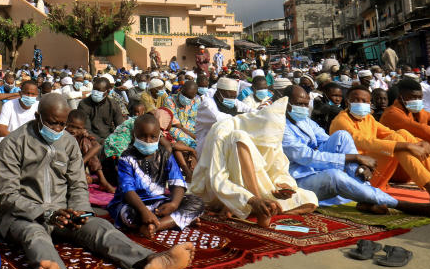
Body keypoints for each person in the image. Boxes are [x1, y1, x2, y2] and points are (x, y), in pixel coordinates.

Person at [0, 93, 194, 269]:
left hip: (64, 213)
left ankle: (149, 260)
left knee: (99, 227)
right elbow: (8, 194)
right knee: (35, 235)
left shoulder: (68, 142)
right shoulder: (12, 144)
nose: (57, 129)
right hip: (25, 216)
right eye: (52, 123)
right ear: (37, 117)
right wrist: (46, 213)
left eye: (62, 124)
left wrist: (80, 211)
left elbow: (78, 184)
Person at [282, 86, 430, 217]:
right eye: (298, 104)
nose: (303, 108)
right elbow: (306, 157)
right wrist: (356, 158)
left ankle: (367, 197)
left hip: (330, 167)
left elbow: (326, 140)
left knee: (343, 137)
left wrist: (359, 165)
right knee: (335, 175)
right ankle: (399, 204)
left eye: (305, 104)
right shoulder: (281, 127)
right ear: (285, 103)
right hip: (300, 178)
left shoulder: (306, 122)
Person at [330, 85, 430, 207]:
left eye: (364, 101)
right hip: (356, 172)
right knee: (399, 144)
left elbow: (390, 133)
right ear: (347, 101)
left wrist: (418, 143)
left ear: (369, 103)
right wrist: (409, 146)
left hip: (372, 168)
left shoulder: (368, 118)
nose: (360, 103)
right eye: (355, 100)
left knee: (401, 135)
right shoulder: (341, 121)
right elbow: (364, 142)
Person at [190, 98, 317, 228]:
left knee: (310, 200)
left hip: (259, 190)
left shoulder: (273, 136)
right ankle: (253, 207)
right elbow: (217, 179)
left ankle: (257, 209)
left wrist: (283, 186)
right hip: (223, 191)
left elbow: (279, 169)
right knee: (239, 137)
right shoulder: (222, 130)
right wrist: (252, 199)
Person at [107, 113, 204, 237]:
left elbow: (177, 182)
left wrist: (174, 204)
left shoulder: (165, 155)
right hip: (133, 205)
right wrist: (144, 212)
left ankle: (154, 226)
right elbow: (127, 190)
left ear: (159, 136)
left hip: (159, 203)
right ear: (134, 135)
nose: (148, 141)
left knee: (196, 202)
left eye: (153, 137)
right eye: (142, 136)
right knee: (128, 215)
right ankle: (175, 220)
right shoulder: (126, 158)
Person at [66, 109, 115, 192]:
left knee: (86, 142)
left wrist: (81, 162)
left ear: (83, 128)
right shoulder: (62, 135)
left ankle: (102, 180)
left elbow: (97, 146)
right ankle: (97, 180)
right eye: (71, 126)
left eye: (78, 128)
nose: (74, 130)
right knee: (85, 180)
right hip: (66, 169)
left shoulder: (82, 137)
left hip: (78, 167)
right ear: (66, 123)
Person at [78, 77, 125, 141]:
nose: (95, 92)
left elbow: (120, 126)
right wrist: (102, 141)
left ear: (107, 91)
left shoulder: (113, 104)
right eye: (94, 89)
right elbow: (86, 129)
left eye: (99, 90)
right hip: (90, 139)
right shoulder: (83, 104)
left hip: (109, 138)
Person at [162, 81, 200, 150]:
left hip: (193, 130)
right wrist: (195, 137)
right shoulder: (170, 100)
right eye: (184, 94)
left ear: (194, 96)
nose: (186, 98)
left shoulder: (196, 102)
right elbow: (177, 125)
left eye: (189, 97)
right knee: (174, 131)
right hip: (178, 129)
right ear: (181, 89)